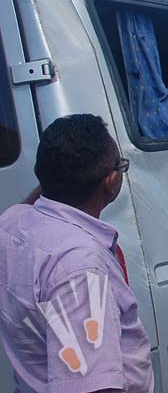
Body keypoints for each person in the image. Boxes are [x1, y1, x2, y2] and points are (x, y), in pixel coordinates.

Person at [0, 114, 154, 392]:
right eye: (121, 166)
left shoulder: (12, 222)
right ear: (111, 181)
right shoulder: (80, 267)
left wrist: (59, 174)